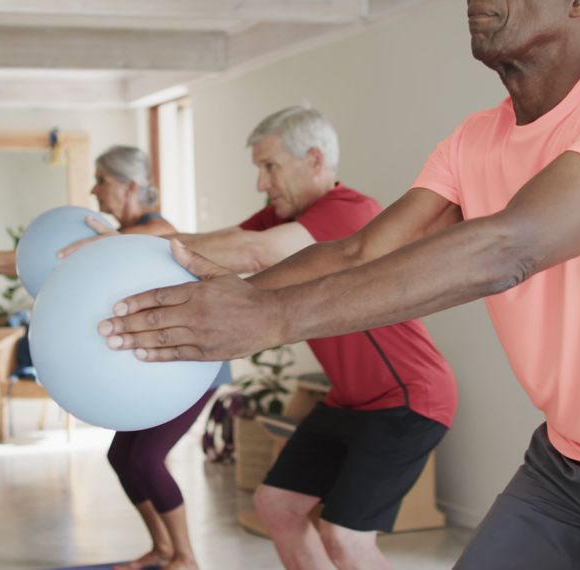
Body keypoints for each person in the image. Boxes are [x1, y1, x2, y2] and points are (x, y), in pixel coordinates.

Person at [99, 1, 580, 568]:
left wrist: (270, 318)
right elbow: (359, 252)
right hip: (565, 465)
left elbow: (511, 247)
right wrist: (240, 305)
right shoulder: (474, 140)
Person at [64, 107, 457, 570]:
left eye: (269, 167)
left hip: (407, 399)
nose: (261, 183)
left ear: (314, 160)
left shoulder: (349, 211)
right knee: (278, 504)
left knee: (345, 536)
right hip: (350, 401)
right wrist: (126, 246)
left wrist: (126, 246)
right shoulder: (281, 215)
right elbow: (216, 240)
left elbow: (255, 252)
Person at [0, 146, 221, 570]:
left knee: (145, 460)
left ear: (130, 186)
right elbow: (55, 264)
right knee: (120, 458)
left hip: (191, 368)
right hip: (155, 366)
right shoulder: (113, 232)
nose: (94, 189)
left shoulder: (155, 228)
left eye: (102, 179)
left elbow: (61, 257)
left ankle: (186, 556)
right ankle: (163, 548)